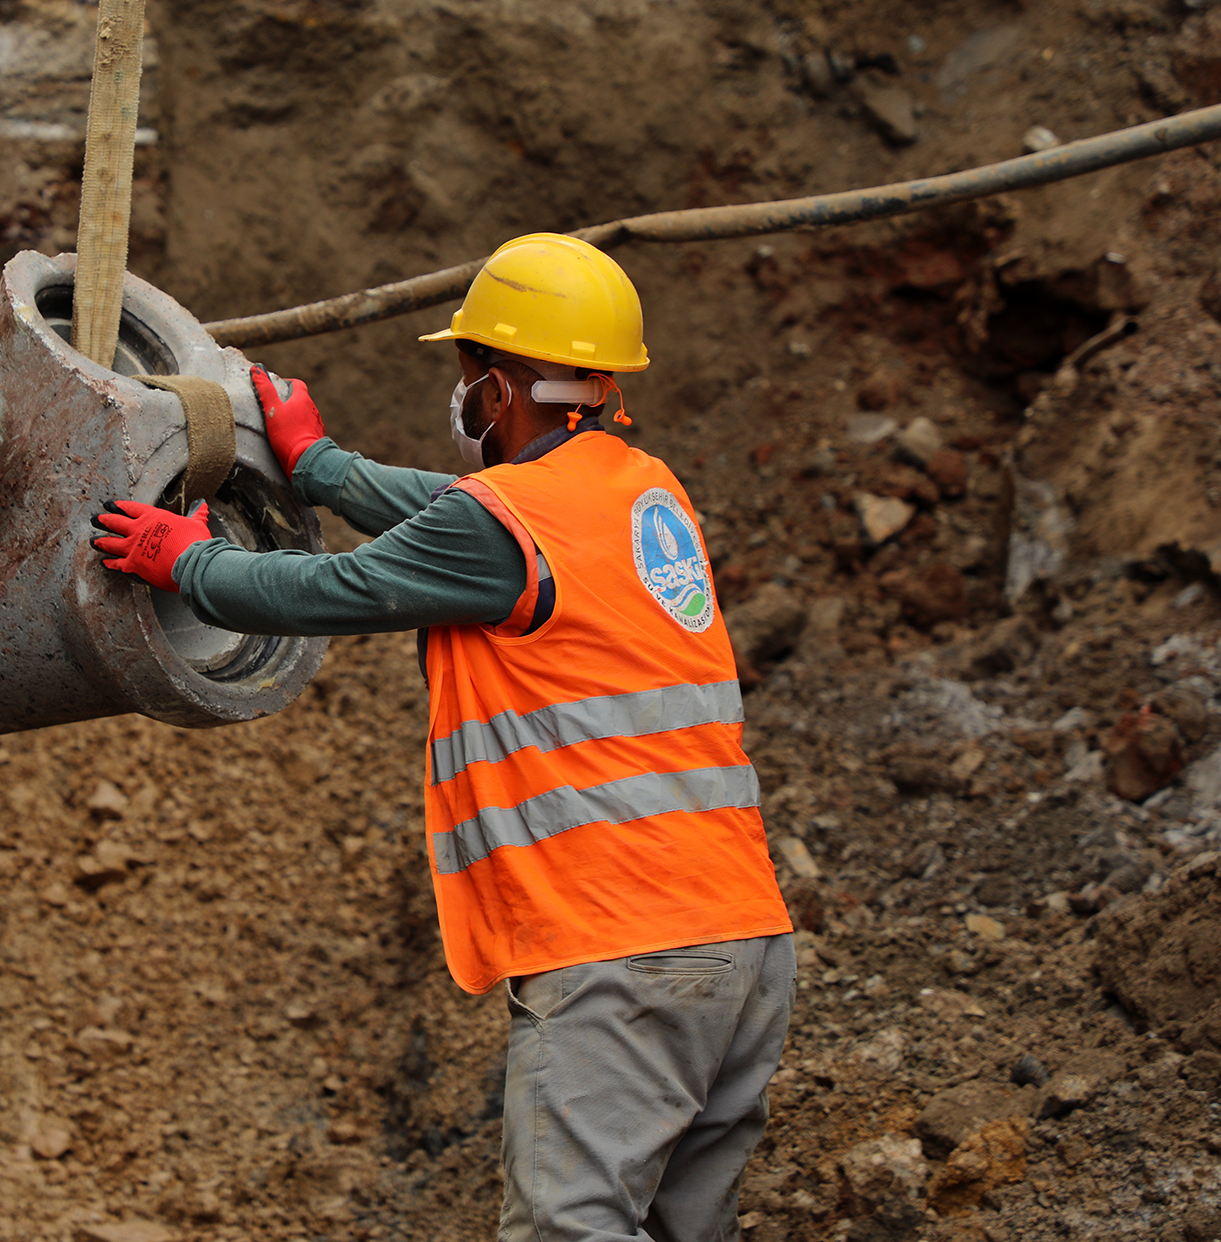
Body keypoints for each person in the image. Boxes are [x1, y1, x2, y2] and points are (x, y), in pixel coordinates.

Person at [92, 233, 795, 1242]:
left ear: (499, 390)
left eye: (466, 373)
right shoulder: (640, 493)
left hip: (621, 946)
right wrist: (318, 465)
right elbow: (447, 511)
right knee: (690, 1226)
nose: (460, 396)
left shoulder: (508, 521)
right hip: (740, 942)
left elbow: (340, 586)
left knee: (569, 1228)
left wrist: (188, 565)